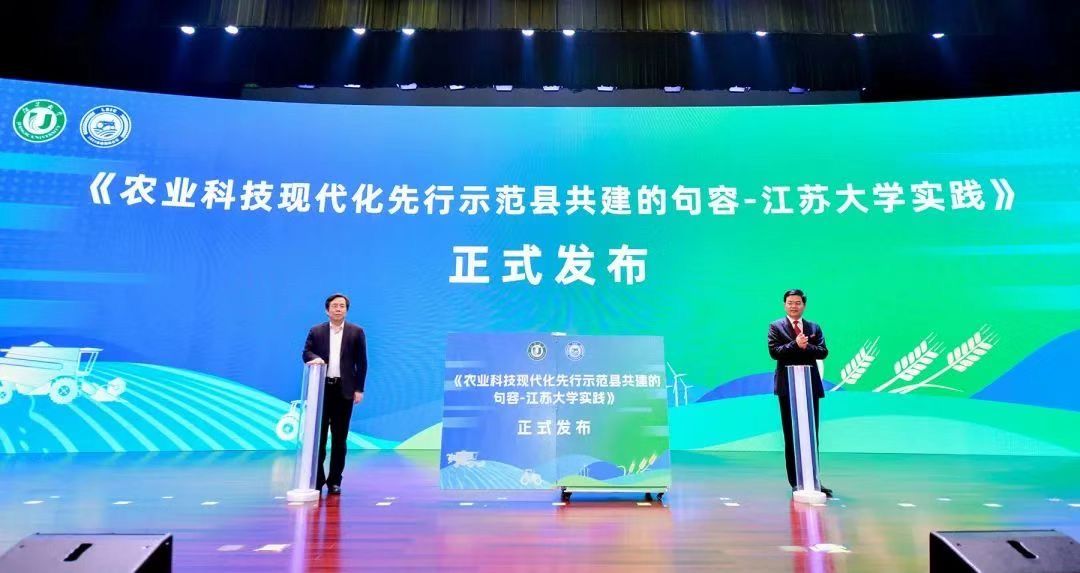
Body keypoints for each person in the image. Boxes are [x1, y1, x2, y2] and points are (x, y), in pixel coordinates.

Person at [767, 288, 832, 498]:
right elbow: (775, 352)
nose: (794, 306)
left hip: (809, 386)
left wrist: (806, 347)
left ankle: (813, 480)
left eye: (797, 303)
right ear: (784, 305)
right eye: (790, 302)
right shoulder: (776, 326)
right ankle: (796, 481)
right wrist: (795, 344)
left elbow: (823, 352)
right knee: (791, 434)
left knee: (812, 435)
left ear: (804, 305)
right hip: (788, 387)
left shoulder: (814, 327)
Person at [302, 293, 368, 495]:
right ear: (327, 310)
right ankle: (317, 479)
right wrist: (315, 358)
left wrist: (359, 389)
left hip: (344, 391)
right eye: (334, 306)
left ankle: (335, 481)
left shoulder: (356, 332)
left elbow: (362, 363)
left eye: (342, 306)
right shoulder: (316, 331)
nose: (338, 309)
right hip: (321, 391)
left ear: (346, 310)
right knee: (319, 438)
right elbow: (306, 353)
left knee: (340, 439)